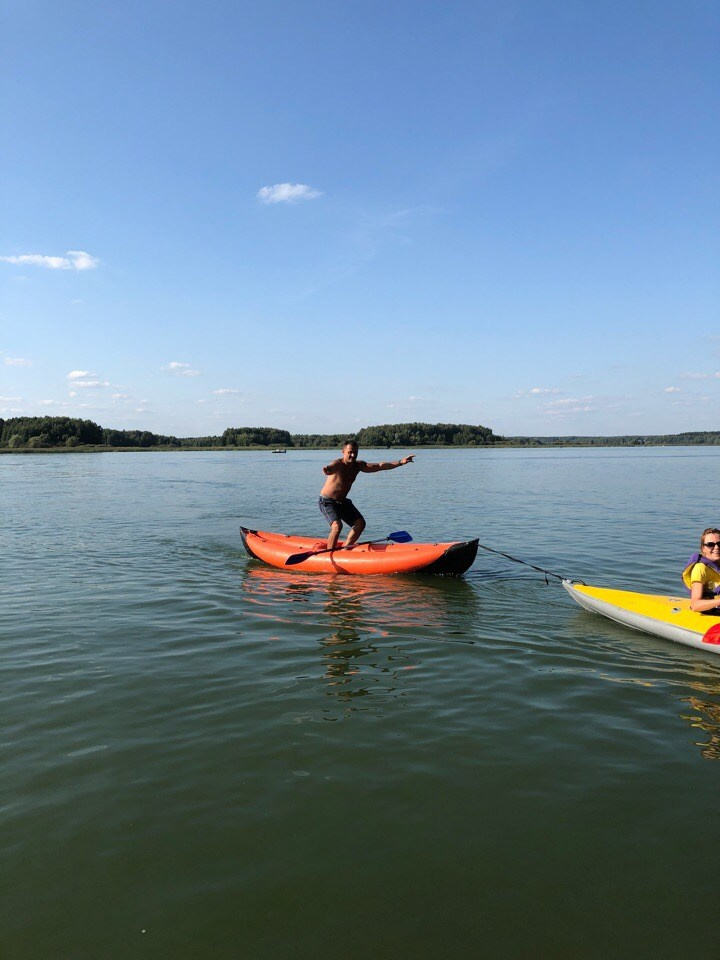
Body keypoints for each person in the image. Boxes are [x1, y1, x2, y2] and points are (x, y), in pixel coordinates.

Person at [318, 440, 414, 551]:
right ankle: (329, 554)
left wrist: (400, 462)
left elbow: (379, 466)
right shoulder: (338, 464)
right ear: (343, 452)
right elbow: (331, 468)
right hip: (327, 501)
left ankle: (345, 550)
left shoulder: (358, 466)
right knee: (337, 526)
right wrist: (327, 470)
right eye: (350, 452)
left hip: (342, 502)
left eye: (355, 452)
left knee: (360, 524)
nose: (353, 455)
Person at [683, 528, 720, 612]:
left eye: (719, 544)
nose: (717, 547)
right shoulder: (700, 569)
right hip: (712, 612)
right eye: (710, 544)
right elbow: (695, 605)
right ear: (703, 548)